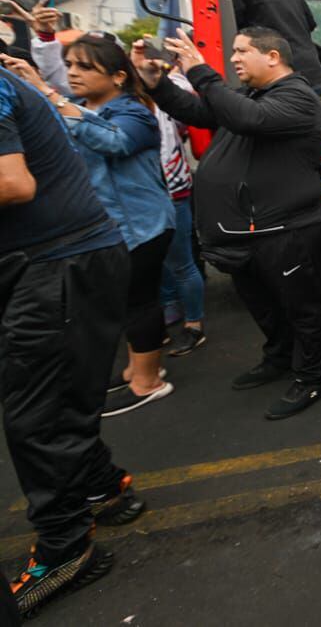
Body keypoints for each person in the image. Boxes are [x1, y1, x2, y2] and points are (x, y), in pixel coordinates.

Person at [0, 64, 144, 617]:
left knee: (36, 416)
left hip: (60, 265)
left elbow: (14, 183)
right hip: (57, 262)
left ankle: (65, 547)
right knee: (59, 396)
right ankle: (101, 487)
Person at [135, 27, 321, 420]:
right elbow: (199, 111)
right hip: (247, 232)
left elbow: (247, 119)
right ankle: (279, 358)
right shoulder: (252, 95)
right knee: (263, 304)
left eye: (243, 51)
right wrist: (158, 86)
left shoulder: (299, 97)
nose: (234, 58)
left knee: (303, 307)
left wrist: (198, 70)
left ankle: (311, 378)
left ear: (273, 57)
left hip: (285, 230)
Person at [8, 33, 177, 417]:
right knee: (125, 303)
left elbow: (114, 143)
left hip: (142, 224)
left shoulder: (132, 111)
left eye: (85, 66)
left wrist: (50, 95)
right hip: (113, 227)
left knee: (139, 302)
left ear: (118, 76)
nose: (73, 73)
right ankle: (139, 368)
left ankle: (149, 382)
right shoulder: (81, 107)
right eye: (69, 66)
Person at [153, 61, 207, 358]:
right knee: (159, 260)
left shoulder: (167, 94)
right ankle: (170, 307)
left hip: (172, 189)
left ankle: (194, 324)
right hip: (146, 195)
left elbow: (189, 105)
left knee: (181, 259)